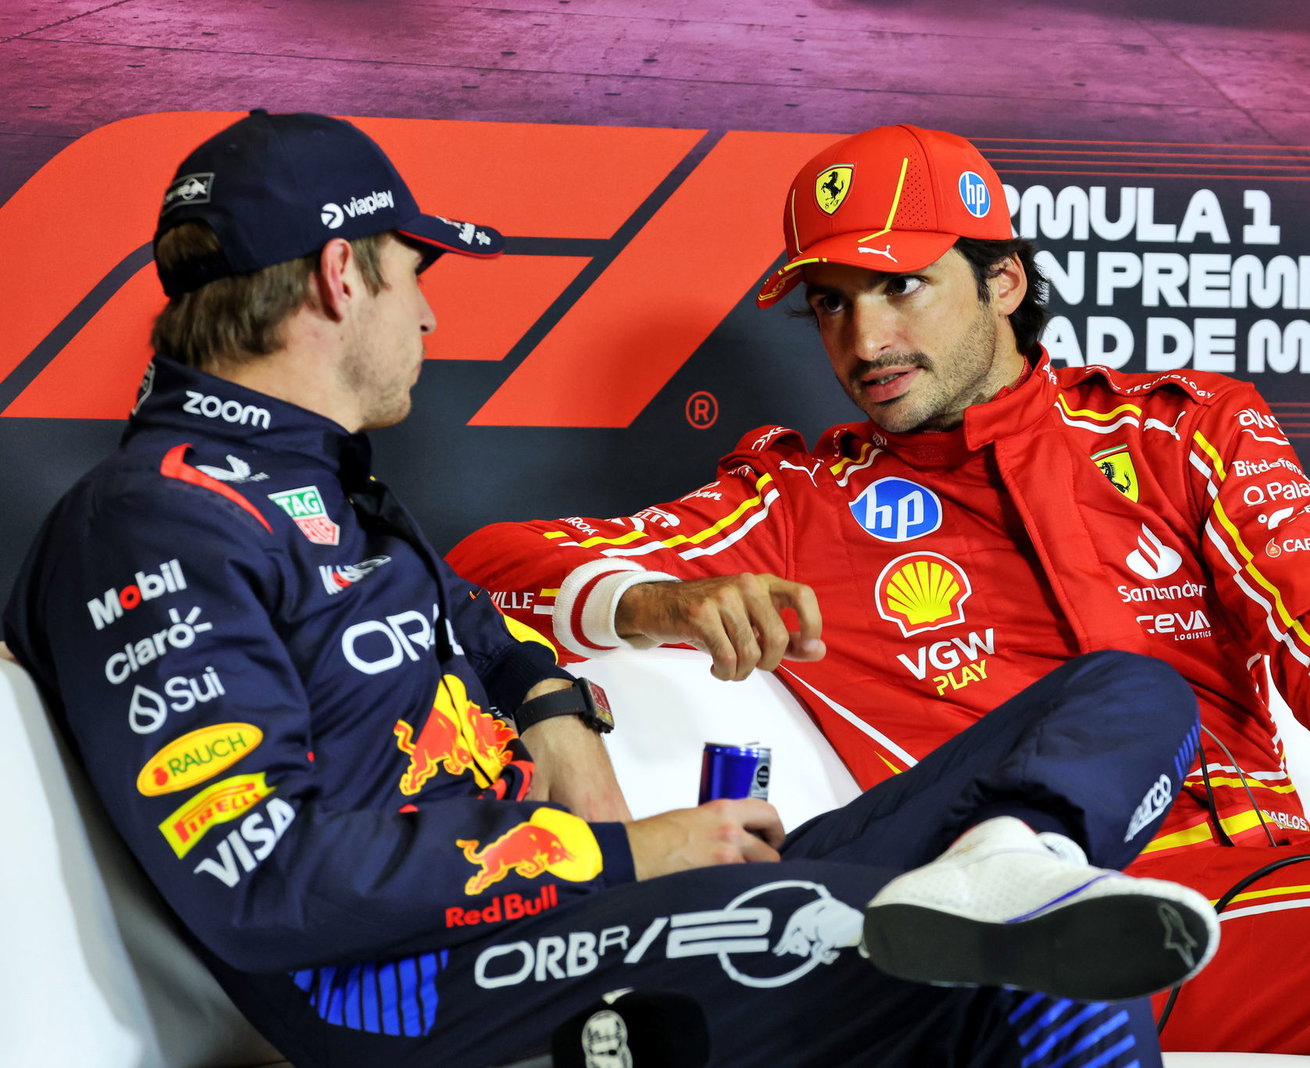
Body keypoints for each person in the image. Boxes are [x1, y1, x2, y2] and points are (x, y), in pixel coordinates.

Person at [1, 110, 1223, 1068]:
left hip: (573, 915)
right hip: (418, 989)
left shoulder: (330, 486)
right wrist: (624, 855)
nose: (429, 313)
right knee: (1015, 969)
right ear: (338, 277)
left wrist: (556, 710)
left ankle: (1021, 848)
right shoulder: (152, 521)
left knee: (1128, 690)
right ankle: (992, 903)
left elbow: (482, 631)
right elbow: (270, 880)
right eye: (413, 271)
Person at [448, 124, 1310, 1065]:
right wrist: (657, 605)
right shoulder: (799, 493)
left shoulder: (1180, 429)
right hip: (1067, 927)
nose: (864, 338)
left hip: (1273, 869)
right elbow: (486, 562)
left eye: (900, 287)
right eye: (832, 303)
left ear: (1002, 280)